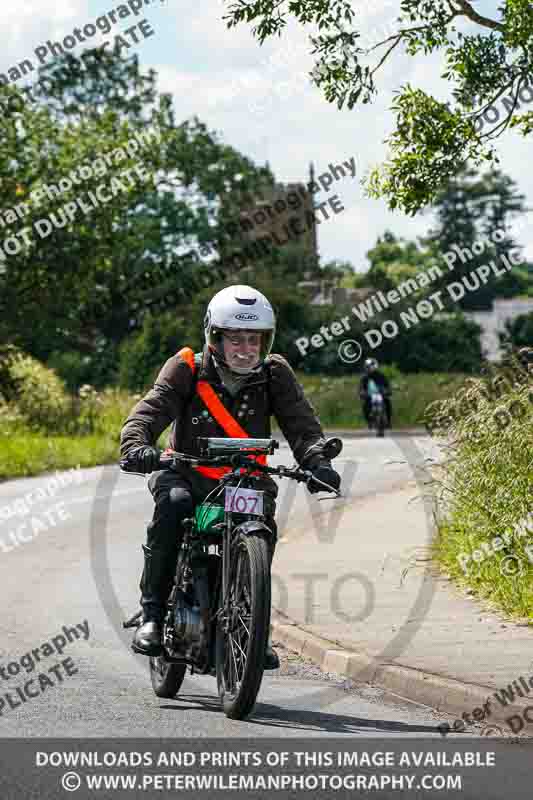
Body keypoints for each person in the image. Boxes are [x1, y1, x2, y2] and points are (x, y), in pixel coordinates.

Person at [120, 284, 341, 670]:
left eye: (254, 340)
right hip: (186, 473)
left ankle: (253, 629)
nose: (245, 349)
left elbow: (301, 424)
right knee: (174, 506)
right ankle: (153, 614)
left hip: (246, 477)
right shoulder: (187, 367)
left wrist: (317, 461)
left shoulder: (275, 373)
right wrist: (137, 445)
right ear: (215, 338)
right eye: (236, 339)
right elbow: (149, 412)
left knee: (259, 527)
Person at [359, 358, 392, 428]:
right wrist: (362, 393)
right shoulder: (364, 378)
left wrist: (388, 391)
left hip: (381, 394)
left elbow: (387, 385)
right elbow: (361, 388)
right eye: (367, 367)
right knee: (365, 406)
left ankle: (388, 421)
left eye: (370, 366)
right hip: (369, 396)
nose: (369, 368)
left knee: (388, 403)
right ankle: (369, 421)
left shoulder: (381, 376)